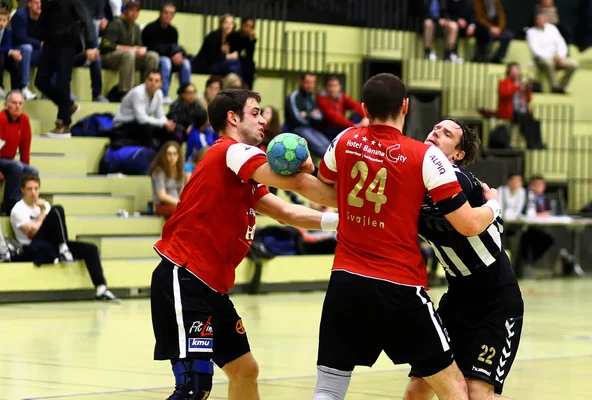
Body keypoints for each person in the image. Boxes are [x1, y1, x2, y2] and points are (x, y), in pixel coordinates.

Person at [313, 73, 501, 400]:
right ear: (405, 106)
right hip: (399, 287)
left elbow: (324, 186)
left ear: (362, 107)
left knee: (329, 389)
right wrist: (495, 204)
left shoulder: (344, 139)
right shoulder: (423, 157)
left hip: (345, 280)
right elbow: (468, 223)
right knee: (454, 388)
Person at [151, 88, 339, 400]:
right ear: (233, 118)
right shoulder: (232, 151)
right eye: (255, 112)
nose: (264, 119)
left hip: (211, 287)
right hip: (185, 277)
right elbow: (295, 184)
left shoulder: (242, 174)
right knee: (194, 387)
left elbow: (287, 212)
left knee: (245, 369)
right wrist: (352, 202)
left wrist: (343, 222)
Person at [404, 118, 524, 400]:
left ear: (457, 155)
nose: (435, 133)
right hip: (457, 298)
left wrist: (493, 204)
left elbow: (467, 221)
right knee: (418, 387)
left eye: (446, 134)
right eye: (434, 128)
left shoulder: (460, 181)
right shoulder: (416, 179)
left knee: (476, 392)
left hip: (497, 302)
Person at [11, 174, 119, 301]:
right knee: (57, 209)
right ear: (23, 190)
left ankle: (101, 289)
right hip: (33, 246)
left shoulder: (45, 205)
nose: (33, 193)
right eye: (29, 189)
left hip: (52, 243)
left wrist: (44, 211)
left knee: (91, 249)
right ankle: (63, 249)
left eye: (36, 188)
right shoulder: (18, 210)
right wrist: (42, 213)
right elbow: (32, 233)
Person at [36, 0, 99, 137]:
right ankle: (69, 106)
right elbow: (44, 17)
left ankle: (64, 124)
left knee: (62, 82)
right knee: (41, 80)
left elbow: (86, 19)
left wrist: (90, 45)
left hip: (67, 43)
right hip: (50, 43)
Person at [100, 0, 160, 101]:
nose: (134, 14)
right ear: (125, 11)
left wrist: (142, 50)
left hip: (128, 58)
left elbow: (138, 46)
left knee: (152, 56)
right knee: (129, 54)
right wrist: (130, 49)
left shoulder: (136, 27)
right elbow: (105, 45)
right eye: (131, 10)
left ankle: (147, 92)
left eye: (137, 11)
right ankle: (126, 93)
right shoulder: (116, 22)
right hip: (108, 57)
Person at [142, 2, 191, 105]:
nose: (168, 16)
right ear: (160, 13)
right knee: (166, 61)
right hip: (156, 60)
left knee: (186, 63)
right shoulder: (150, 28)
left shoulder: (173, 31)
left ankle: (185, 94)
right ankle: (163, 95)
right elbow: (152, 48)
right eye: (166, 12)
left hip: (170, 58)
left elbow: (174, 46)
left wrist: (178, 55)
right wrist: (172, 54)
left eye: (171, 14)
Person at [0, 90, 38, 213]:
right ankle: (10, 205)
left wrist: (26, 167)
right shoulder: (1, 118)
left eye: (20, 103)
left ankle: (28, 203)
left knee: (32, 170)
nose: (17, 106)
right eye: (14, 103)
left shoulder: (24, 120)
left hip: (8, 161)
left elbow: (25, 149)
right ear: (6, 105)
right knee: (16, 166)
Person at [526, 10, 578, 94]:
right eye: (538, 19)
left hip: (557, 58)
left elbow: (561, 43)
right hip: (540, 59)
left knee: (573, 64)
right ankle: (554, 87)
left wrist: (560, 56)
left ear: (545, 19)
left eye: (541, 19)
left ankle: (560, 87)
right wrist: (553, 57)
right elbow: (536, 50)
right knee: (549, 63)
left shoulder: (552, 29)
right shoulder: (531, 32)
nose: (539, 21)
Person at [497, 62, 544, 149]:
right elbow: (504, 94)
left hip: (522, 111)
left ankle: (538, 142)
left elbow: (529, 99)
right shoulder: (504, 83)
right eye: (513, 70)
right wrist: (518, 87)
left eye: (517, 69)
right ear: (509, 72)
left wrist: (527, 90)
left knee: (535, 122)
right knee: (524, 119)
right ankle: (530, 143)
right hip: (510, 112)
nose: (515, 72)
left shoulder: (522, 83)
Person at [316, 75, 368, 140]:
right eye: (330, 86)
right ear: (326, 87)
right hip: (329, 128)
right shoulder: (321, 98)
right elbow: (334, 117)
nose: (332, 89)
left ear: (340, 87)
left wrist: (366, 117)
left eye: (335, 86)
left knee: (358, 115)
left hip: (341, 127)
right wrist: (355, 126)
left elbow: (356, 105)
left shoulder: (341, 96)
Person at [149, 141, 184, 219]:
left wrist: (184, 203)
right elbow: (162, 196)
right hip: (162, 205)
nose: (172, 157)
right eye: (169, 154)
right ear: (164, 155)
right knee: (180, 212)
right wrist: (179, 203)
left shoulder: (180, 170)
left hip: (177, 204)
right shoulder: (158, 171)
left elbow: (182, 192)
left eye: (174, 154)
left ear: (178, 155)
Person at [227, 17, 257, 89]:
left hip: (244, 62)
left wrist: (252, 40)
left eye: (251, 27)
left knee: (250, 65)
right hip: (234, 60)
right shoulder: (234, 35)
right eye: (247, 26)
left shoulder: (250, 39)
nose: (248, 28)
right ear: (242, 25)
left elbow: (250, 55)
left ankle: (248, 89)